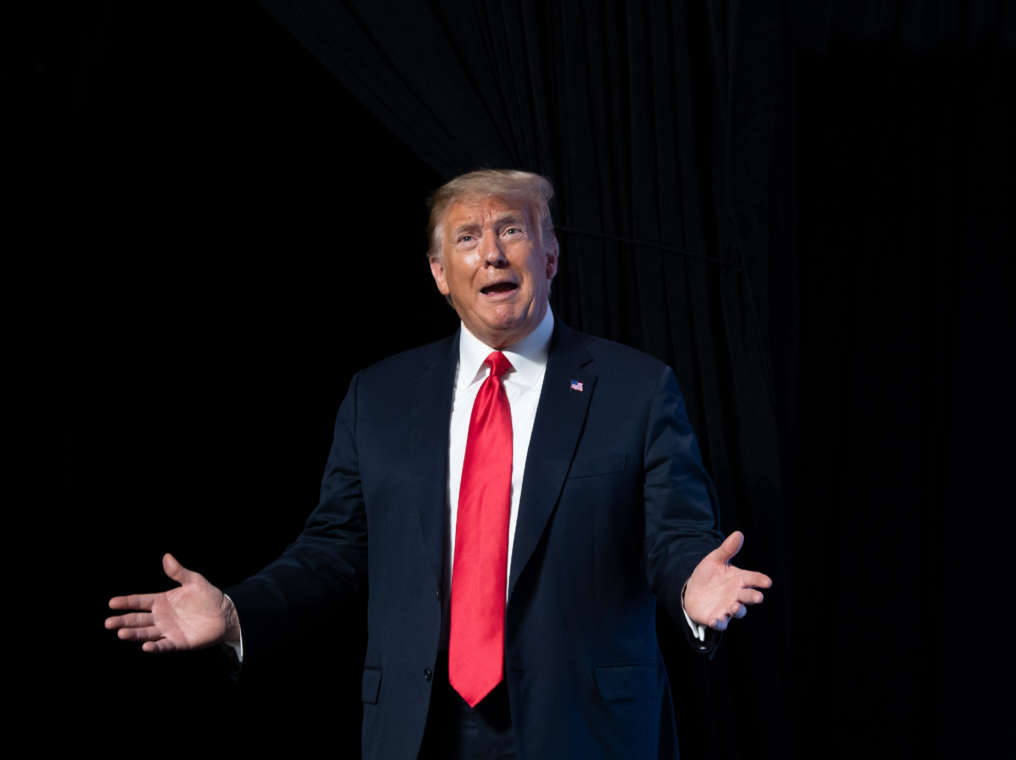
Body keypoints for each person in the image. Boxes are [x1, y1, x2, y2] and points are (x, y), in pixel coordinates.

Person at [106, 169, 772, 759]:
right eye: (466, 238)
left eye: (511, 229)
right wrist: (237, 611)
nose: (491, 252)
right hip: (419, 726)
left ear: (549, 254)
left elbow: (673, 536)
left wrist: (691, 585)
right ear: (437, 272)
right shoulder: (381, 397)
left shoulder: (637, 388)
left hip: (584, 725)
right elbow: (334, 550)